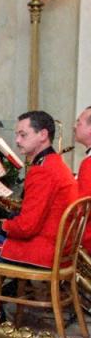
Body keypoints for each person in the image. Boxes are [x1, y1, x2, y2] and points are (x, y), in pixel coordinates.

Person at [0, 111, 79, 308]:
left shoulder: (43, 171)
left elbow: (27, 227)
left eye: (23, 135)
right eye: (17, 134)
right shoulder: (54, 163)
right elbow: (33, 218)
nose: (17, 140)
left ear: (43, 135)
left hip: (41, 251)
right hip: (55, 247)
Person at [75, 105, 91, 250]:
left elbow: (81, 209)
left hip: (86, 239)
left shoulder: (89, 163)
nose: (75, 126)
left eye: (78, 122)